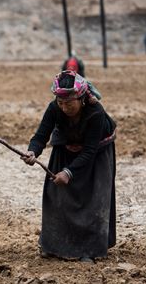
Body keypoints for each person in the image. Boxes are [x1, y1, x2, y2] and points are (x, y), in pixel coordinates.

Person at [21, 70, 117, 263]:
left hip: (96, 154)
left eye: (69, 103)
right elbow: (41, 136)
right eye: (61, 102)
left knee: (92, 200)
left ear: (81, 98)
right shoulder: (54, 108)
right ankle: (54, 245)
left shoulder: (95, 112)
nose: (64, 107)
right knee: (57, 197)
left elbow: (89, 150)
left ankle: (89, 250)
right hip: (65, 147)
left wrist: (68, 172)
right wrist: (33, 151)